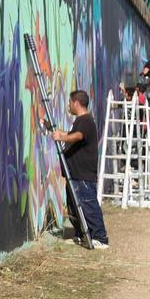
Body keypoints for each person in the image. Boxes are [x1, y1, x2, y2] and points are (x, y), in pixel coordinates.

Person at [51, 90, 109, 249]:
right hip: (74, 174)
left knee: (88, 205)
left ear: (76, 102)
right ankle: (80, 235)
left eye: (70, 102)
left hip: (83, 175)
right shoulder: (80, 121)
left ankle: (100, 237)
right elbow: (73, 135)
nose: (69, 105)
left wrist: (62, 137)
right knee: (73, 208)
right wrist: (58, 133)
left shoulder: (86, 120)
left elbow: (78, 136)